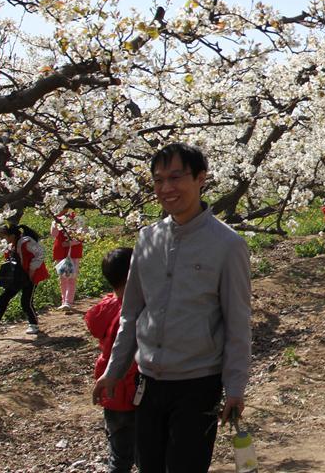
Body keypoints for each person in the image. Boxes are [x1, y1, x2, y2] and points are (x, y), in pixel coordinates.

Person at [93, 143, 252, 471]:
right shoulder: (147, 238)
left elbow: (238, 321)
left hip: (198, 383)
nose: (166, 188)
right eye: (158, 180)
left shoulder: (227, 245)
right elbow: (132, 313)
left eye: (176, 177)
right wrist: (114, 369)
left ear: (200, 179)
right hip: (148, 379)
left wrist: (235, 386)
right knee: (149, 465)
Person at [86, 247, 139, 473]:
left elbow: (92, 323)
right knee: (146, 454)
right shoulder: (136, 309)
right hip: (135, 392)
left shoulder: (104, 307)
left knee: (118, 456)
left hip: (111, 393)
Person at [0, 223, 49, 336]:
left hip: (30, 276)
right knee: (3, 298)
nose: (3, 238)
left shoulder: (26, 241)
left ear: (12, 235)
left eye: (5, 236)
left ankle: (33, 324)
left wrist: (32, 269)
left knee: (26, 302)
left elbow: (40, 253)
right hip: (17, 276)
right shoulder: (13, 244)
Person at [51, 208, 84, 311]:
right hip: (60, 250)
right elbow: (54, 234)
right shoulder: (55, 220)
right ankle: (64, 301)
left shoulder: (76, 219)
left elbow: (81, 236)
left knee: (71, 277)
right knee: (62, 277)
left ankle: (68, 302)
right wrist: (55, 223)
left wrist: (70, 243)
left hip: (72, 251)